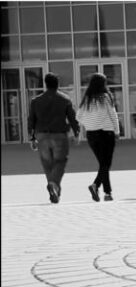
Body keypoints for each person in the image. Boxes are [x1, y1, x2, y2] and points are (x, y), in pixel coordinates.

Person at [28, 72, 79, 204]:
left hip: (42, 135)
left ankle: (54, 188)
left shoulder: (36, 101)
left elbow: (31, 120)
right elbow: (72, 118)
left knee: (47, 164)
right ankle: (54, 185)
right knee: (60, 162)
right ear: (58, 84)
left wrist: (32, 138)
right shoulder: (65, 99)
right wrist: (76, 133)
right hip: (59, 135)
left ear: (46, 84)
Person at [77, 73, 120, 202]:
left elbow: (78, 116)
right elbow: (113, 114)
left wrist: (90, 124)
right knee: (106, 164)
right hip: (106, 133)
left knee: (103, 164)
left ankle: (107, 193)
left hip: (91, 135)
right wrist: (117, 131)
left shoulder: (87, 99)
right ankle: (97, 186)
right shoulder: (105, 97)